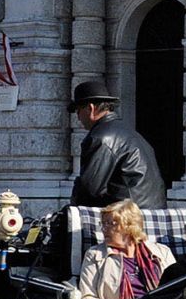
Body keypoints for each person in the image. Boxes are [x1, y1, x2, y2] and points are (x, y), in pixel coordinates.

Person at [69, 79, 166, 209]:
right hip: (149, 214)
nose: (78, 117)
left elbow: (89, 191)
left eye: (78, 111)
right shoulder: (131, 133)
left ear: (90, 108)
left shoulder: (101, 137)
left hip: (126, 218)